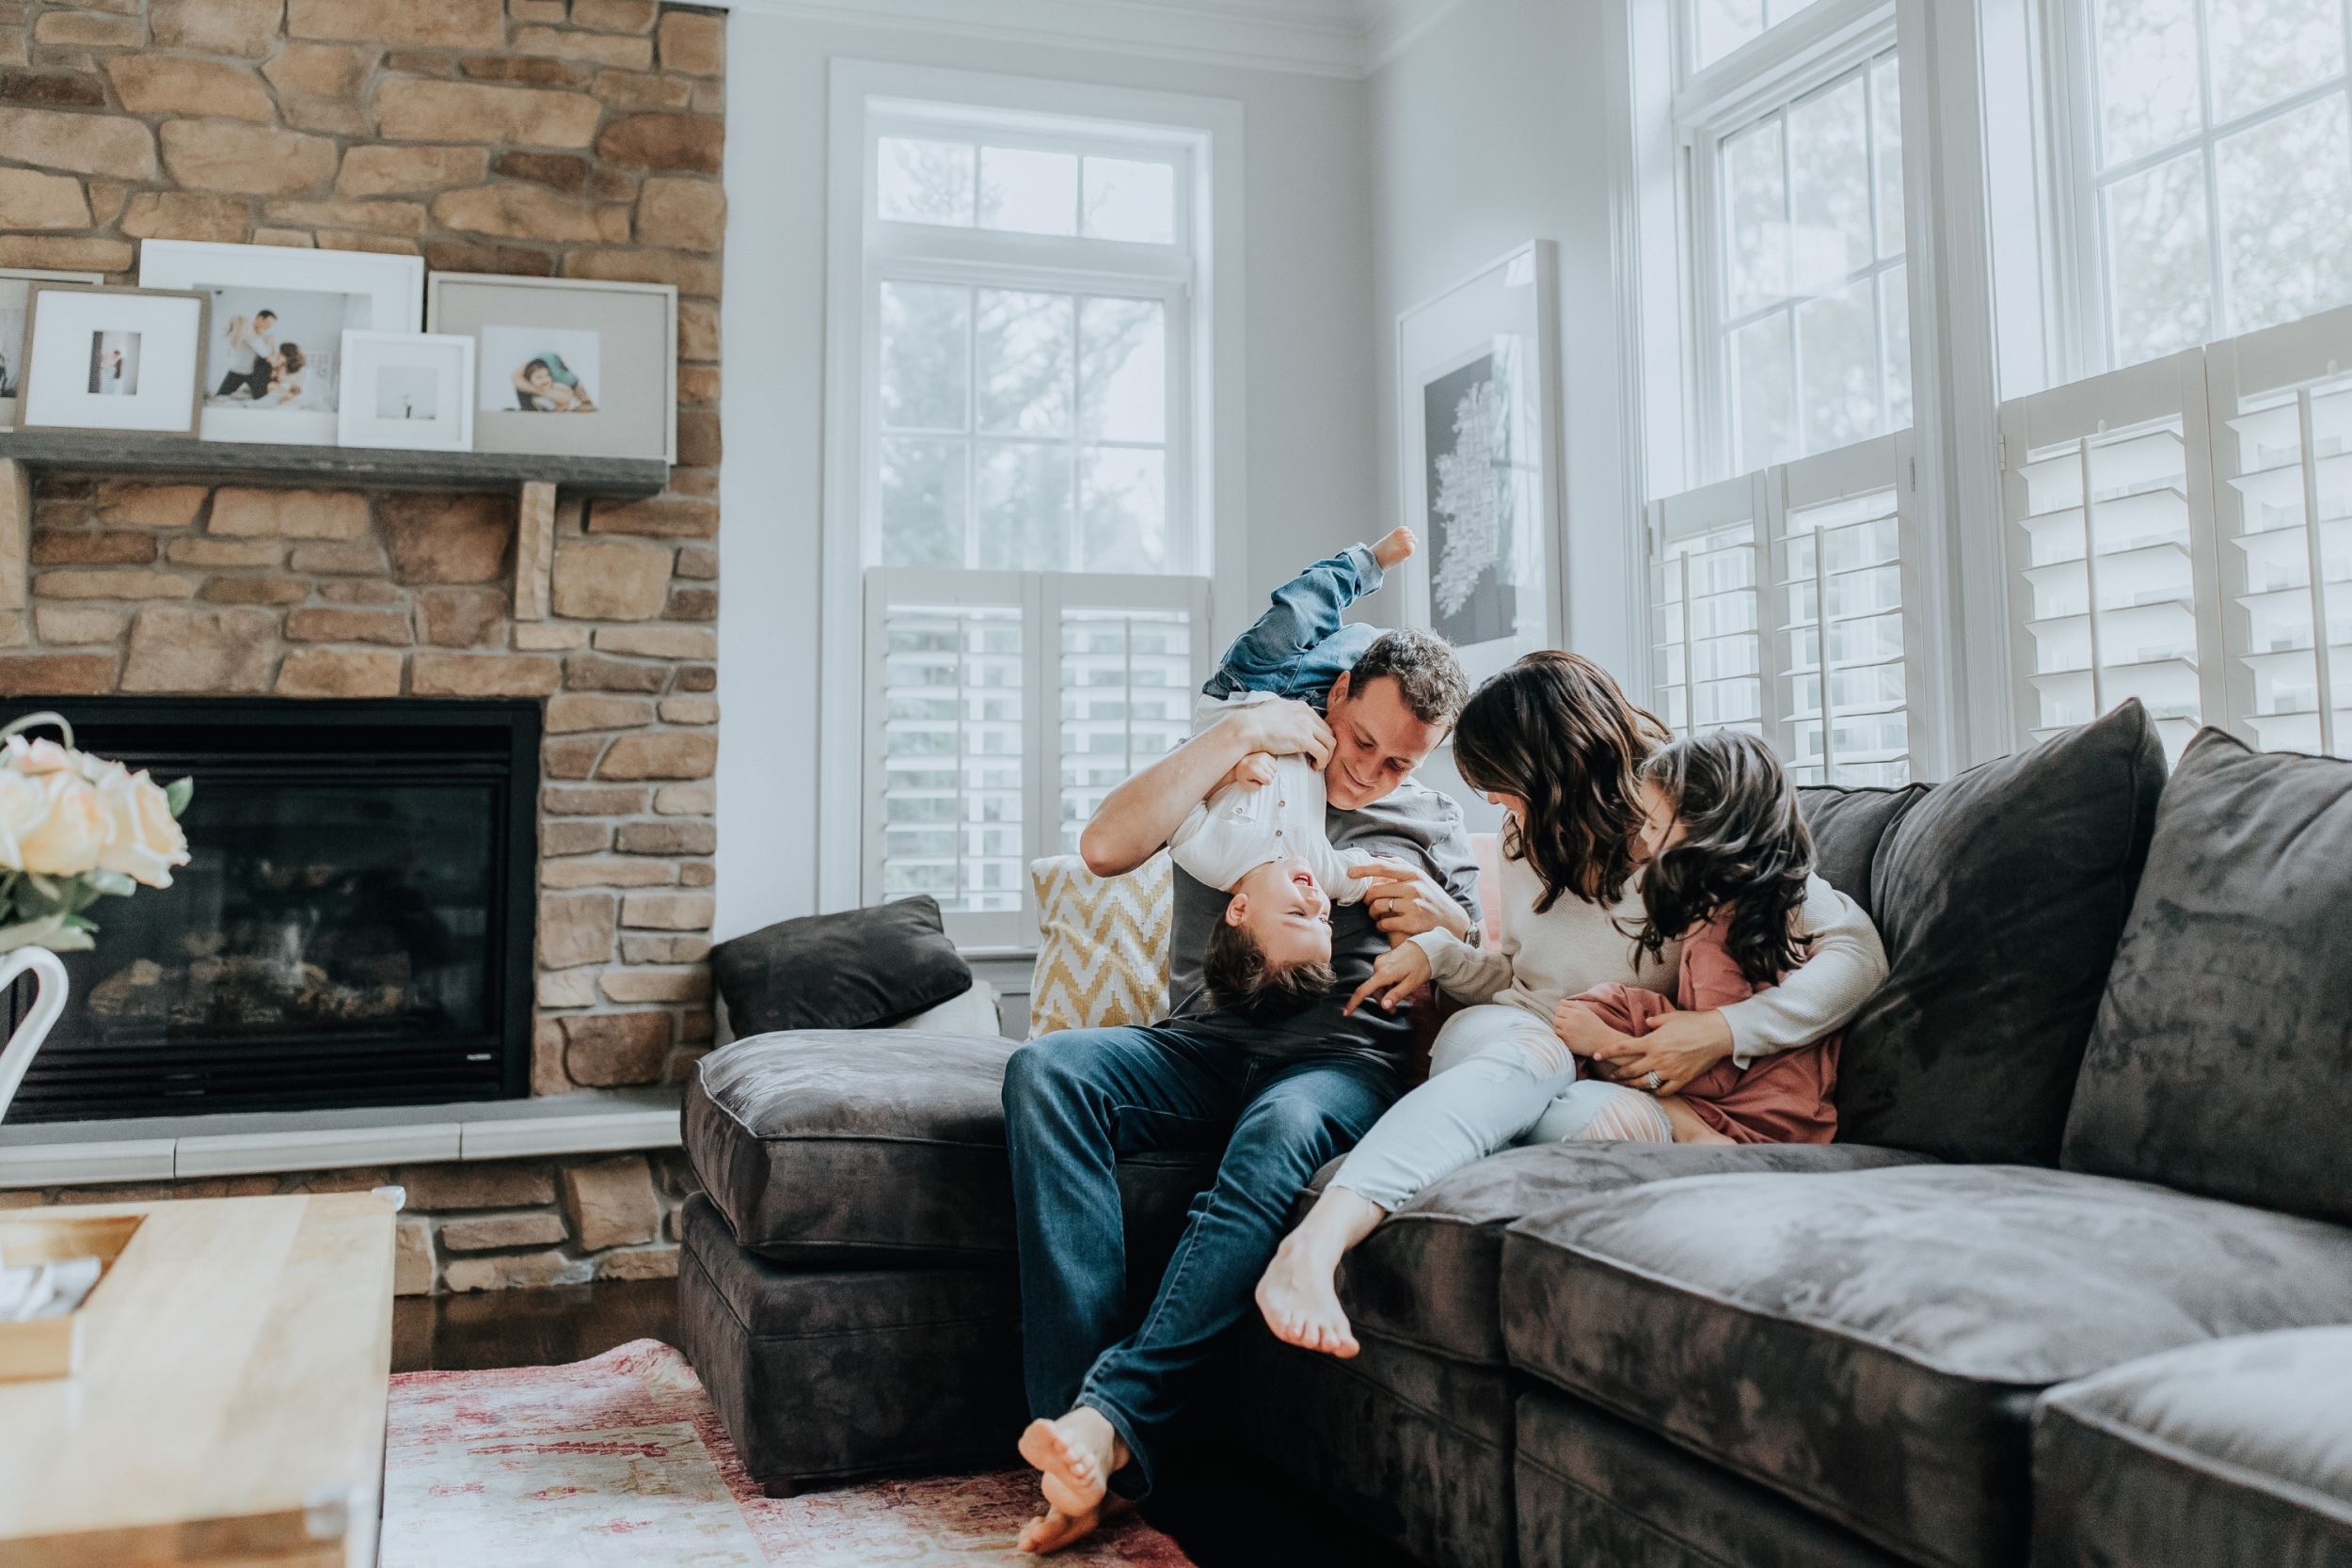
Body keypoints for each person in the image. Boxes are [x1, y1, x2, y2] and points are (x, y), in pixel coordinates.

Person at [1003, 612, 1480, 1554]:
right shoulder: (1248, 762)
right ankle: (1076, 1436)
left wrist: (1446, 925)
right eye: (1363, 741)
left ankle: (1108, 1420)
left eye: (1399, 763)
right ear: (1336, 694)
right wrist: (1232, 735)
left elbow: (1487, 971)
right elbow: (1103, 847)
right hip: (1201, 1044)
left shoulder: (1431, 822)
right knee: (1045, 1070)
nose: (1370, 772)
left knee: (1275, 1131)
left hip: (1339, 1061)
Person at [1253, 650, 1886, 1360]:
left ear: (1551, 768)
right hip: (1518, 1034)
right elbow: (1520, 982)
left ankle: (1420, 1168)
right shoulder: (1525, 839)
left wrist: (1721, 1030)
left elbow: (1857, 956)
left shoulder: (1683, 820)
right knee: (1533, 1058)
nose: (1494, 806)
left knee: (1585, 1120)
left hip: (1608, 1075)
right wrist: (1441, 953)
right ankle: (1316, 1241)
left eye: (1500, 785)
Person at [1541, 728, 1841, 1146]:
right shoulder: (1764, 912)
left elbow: (1715, 1076)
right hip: (1796, 1111)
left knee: (1604, 1026)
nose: (1644, 840)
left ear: (1706, 836)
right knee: (1621, 1007)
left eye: (1653, 823)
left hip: (1760, 1120)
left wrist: (1605, 1043)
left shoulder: (1717, 939)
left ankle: (1698, 1137)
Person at [1177, 527, 1421, 1014]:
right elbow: (1375, 877)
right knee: (1373, 650)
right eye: (1324, 921)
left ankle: (1365, 564)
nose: (1316, 902)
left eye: (1296, 914)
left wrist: (1229, 774)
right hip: (1310, 707)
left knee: (1299, 610)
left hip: (1247, 688)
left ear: (1240, 910)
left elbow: (1176, 787)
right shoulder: (1322, 869)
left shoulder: (1207, 856)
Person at [215, 309, 277, 400]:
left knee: (262, 399)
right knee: (220, 397)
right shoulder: (246, 328)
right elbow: (263, 352)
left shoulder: (258, 333)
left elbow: (267, 352)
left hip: (252, 373)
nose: (268, 327)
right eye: (268, 324)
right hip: (238, 371)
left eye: (270, 326)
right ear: (260, 318)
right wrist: (264, 337)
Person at [514, 355, 594, 412]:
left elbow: (569, 392)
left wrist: (552, 393)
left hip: (576, 405)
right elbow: (543, 411)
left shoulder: (555, 386)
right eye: (539, 377)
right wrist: (558, 409)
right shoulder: (535, 399)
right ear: (530, 382)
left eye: (547, 375)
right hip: (565, 413)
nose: (545, 379)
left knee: (585, 408)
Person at [258, 342, 308, 407]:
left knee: (295, 393)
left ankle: (288, 397)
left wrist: (291, 388)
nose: (278, 355)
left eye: (281, 354)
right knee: (270, 385)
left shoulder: (300, 368)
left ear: (288, 356)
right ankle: (287, 397)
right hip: (280, 387)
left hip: (292, 388)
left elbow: (298, 385)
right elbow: (277, 380)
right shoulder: (281, 365)